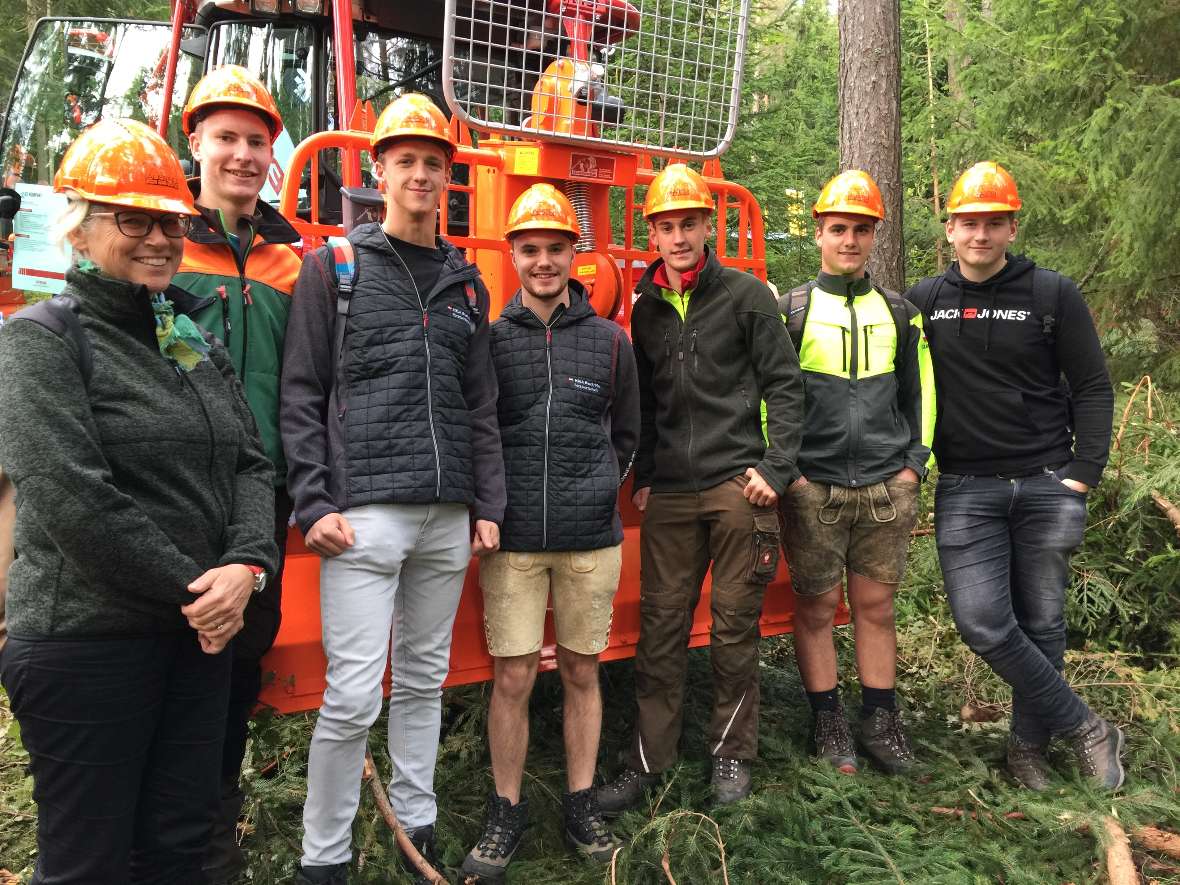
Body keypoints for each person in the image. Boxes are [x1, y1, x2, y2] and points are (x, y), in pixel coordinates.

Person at [0, 117, 278, 883]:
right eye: (134, 218)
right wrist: (206, 591)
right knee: (90, 864)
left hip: (195, 643)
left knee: (178, 849)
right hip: (91, 646)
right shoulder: (43, 340)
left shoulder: (188, 337)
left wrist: (248, 564)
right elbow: (71, 497)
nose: (159, 237)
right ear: (80, 231)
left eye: (171, 220)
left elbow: (249, 462)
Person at [282, 93, 505, 885]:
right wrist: (314, 502)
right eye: (405, 159)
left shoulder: (466, 284)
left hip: (447, 520)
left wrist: (488, 505)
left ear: (448, 177)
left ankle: (417, 824)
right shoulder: (335, 267)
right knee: (348, 698)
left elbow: (479, 404)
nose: (420, 173)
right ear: (379, 170)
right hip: (364, 518)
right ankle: (324, 857)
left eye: (433, 162)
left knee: (422, 682)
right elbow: (302, 393)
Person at [905, 161, 1121, 790]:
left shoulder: (1053, 294)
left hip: (1047, 483)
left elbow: (1092, 387)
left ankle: (1027, 750)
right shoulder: (924, 303)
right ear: (948, 229)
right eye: (968, 222)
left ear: (1010, 227)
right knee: (982, 623)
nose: (980, 234)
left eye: (993, 223)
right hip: (967, 489)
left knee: (1043, 622)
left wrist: (1084, 470)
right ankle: (1086, 725)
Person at [598, 163, 804, 811]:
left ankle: (731, 756)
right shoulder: (646, 307)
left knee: (734, 626)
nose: (678, 235)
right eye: (666, 226)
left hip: (736, 487)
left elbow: (786, 386)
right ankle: (646, 761)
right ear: (651, 234)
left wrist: (774, 468)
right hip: (673, 495)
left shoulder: (746, 295)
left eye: (689, 222)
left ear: (709, 225)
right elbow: (652, 403)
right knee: (659, 629)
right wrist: (650, 475)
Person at [460, 184, 640, 881]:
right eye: (530, 248)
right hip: (513, 542)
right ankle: (506, 809)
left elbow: (627, 433)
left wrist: (602, 485)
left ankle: (580, 800)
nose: (542, 261)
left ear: (575, 253)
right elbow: (480, 430)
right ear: (513, 254)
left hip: (591, 538)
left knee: (581, 671)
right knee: (510, 675)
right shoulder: (491, 341)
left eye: (555, 248)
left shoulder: (609, 343)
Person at [168, 64, 304, 882]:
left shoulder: (295, 261)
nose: (244, 155)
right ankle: (171, 822)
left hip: (269, 491)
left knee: (243, 656)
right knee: (176, 648)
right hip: (183, 488)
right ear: (197, 142)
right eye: (227, 138)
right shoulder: (162, 244)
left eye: (257, 141)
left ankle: (216, 819)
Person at [777, 170, 934, 776]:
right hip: (812, 486)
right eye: (838, 228)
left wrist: (914, 466)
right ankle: (828, 719)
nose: (849, 240)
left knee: (877, 607)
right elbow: (772, 396)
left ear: (874, 238)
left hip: (884, 487)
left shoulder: (898, 312)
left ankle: (880, 720)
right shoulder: (792, 310)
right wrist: (787, 471)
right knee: (816, 609)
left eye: (861, 230)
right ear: (819, 232)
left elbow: (921, 392)